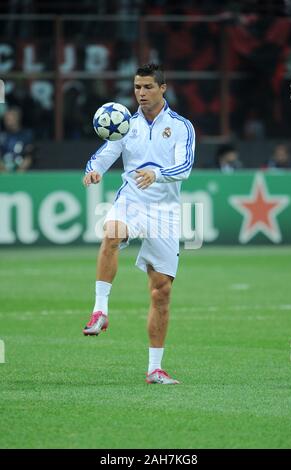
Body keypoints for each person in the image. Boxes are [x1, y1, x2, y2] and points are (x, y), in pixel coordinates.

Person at [82, 63, 195, 385]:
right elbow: (104, 153)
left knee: (161, 291)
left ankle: (154, 369)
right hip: (132, 200)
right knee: (111, 233)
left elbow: (184, 166)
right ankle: (100, 310)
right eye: (137, 88)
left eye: (147, 87)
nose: (141, 93)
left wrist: (157, 173)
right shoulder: (125, 125)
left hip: (165, 212)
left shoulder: (181, 126)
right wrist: (94, 171)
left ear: (163, 88)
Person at [0, 106, 35, 172]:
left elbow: (29, 157)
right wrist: (4, 171)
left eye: (9, 119)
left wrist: (19, 173)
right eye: (6, 119)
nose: (7, 121)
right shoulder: (2, 136)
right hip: (4, 172)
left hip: (21, 172)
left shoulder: (27, 135)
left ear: (17, 118)